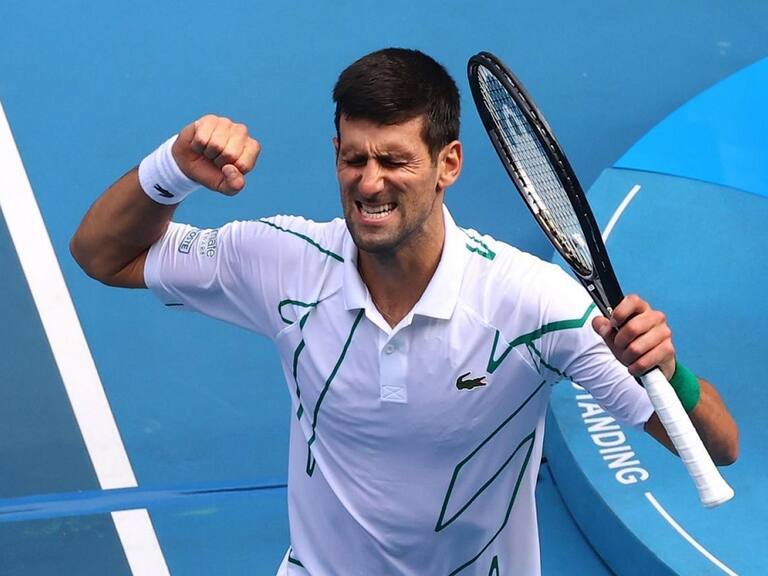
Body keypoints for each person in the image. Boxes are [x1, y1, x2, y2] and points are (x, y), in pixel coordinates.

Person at [71, 48, 738, 575]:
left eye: (395, 161)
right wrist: (172, 170)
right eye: (354, 158)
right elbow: (104, 256)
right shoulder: (281, 261)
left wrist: (669, 372)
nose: (369, 182)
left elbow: (719, 446)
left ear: (448, 164)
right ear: (335, 153)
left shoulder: (532, 303)